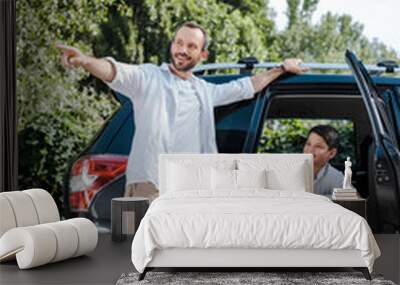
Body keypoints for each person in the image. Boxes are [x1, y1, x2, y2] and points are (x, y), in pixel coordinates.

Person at [57, 21, 308, 200]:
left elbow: (246, 87)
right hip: (149, 186)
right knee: (136, 256)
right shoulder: (149, 78)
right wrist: (86, 61)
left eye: (190, 46)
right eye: (179, 42)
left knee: (184, 264)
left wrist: (281, 68)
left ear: (202, 53)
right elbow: (116, 71)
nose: (182, 50)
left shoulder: (205, 91)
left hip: (193, 189)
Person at [303, 125, 344, 196]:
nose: (310, 150)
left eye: (318, 146)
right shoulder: (290, 170)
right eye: (308, 144)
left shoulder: (337, 177)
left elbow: (354, 202)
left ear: (331, 153)